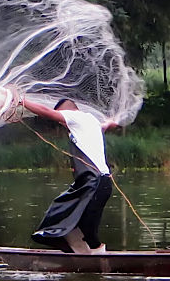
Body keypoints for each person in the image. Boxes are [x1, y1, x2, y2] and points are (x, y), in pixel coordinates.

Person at [17, 95, 116, 254]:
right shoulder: (90, 121)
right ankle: (84, 259)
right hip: (96, 185)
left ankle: (100, 267)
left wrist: (22, 101)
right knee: (65, 215)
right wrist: (110, 123)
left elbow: (46, 112)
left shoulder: (75, 116)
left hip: (95, 184)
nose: (62, 123)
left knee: (87, 231)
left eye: (62, 119)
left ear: (67, 111)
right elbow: (102, 127)